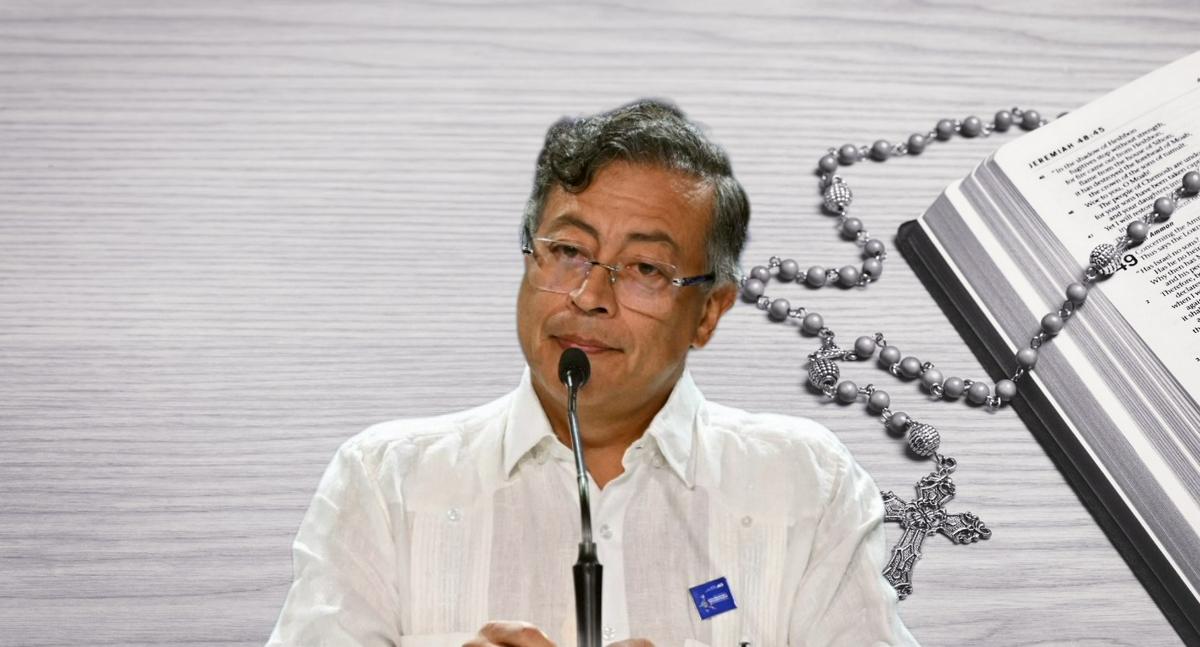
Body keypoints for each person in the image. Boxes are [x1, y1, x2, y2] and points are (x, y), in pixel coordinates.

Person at [265, 98, 918, 646]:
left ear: (708, 312)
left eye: (645, 268)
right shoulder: (385, 482)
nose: (589, 295)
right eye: (569, 250)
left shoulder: (805, 484)